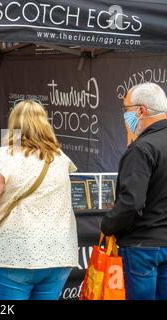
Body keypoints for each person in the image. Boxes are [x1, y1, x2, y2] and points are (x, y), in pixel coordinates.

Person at [0, 99, 78, 300]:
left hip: (15, 256)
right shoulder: (60, 158)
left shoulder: (5, 157)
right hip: (59, 254)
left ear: (14, 125)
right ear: (44, 124)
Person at [101, 82, 167, 300]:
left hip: (142, 247)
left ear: (141, 110)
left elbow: (131, 202)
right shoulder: (143, 145)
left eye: (126, 108)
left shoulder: (142, 148)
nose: (125, 116)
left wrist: (108, 224)